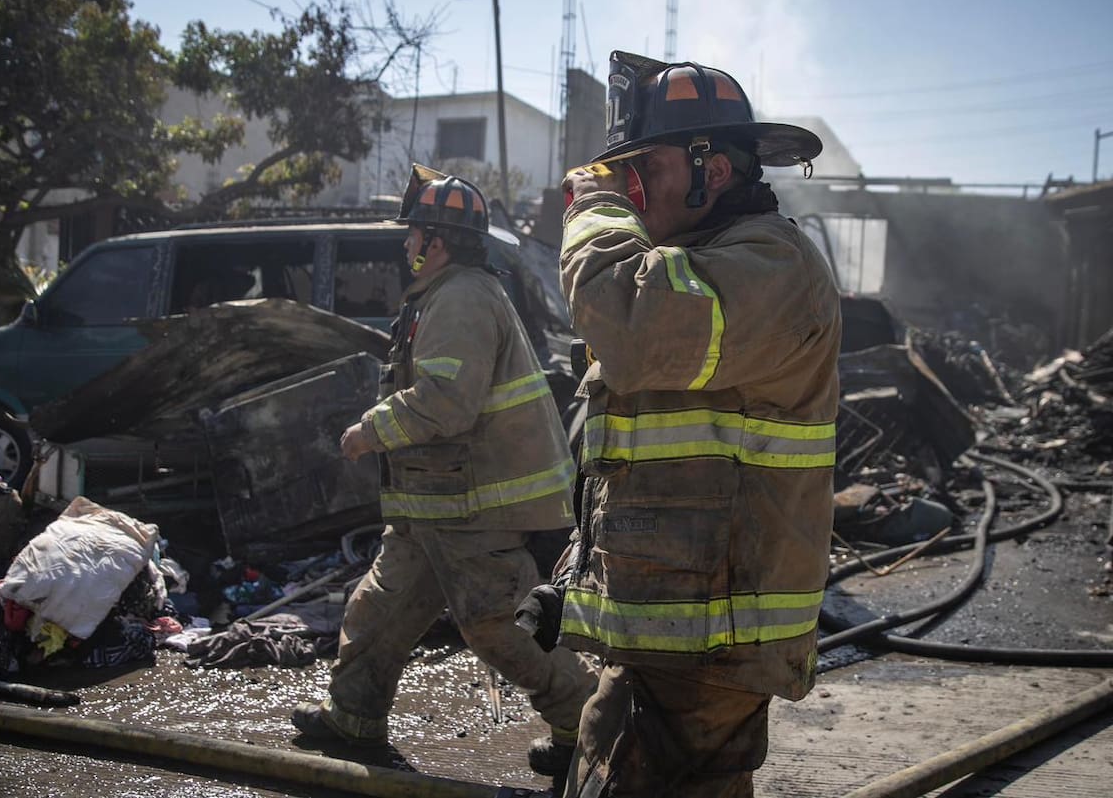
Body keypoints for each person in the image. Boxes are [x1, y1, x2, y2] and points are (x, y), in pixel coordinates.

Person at [552, 51, 842, 796]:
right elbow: (647, 465)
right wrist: (574, 574)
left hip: (712, 641)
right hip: (677, 631)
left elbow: (632, 323)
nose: (631, 189)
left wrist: (594, 208)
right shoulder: (693, 268)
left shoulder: (771, 266)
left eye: (643, 169)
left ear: (712, 171)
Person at [291, 164, 598, 782]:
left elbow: (445, 401)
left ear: (437, 241)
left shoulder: (461, 297)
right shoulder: (441, 294)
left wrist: (370, 431)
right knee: (380, 611)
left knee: (498, 625)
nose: (406, 243)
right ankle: (353, 717)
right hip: (433, 504)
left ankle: (591, 728)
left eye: (414, 233)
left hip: (474, 507)